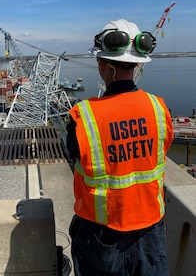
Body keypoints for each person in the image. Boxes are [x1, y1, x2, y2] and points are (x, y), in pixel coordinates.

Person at [67, 19, 174, 276]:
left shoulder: (83, 116)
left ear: (102, 64)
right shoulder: (160, 108)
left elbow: (75, 161)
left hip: (101, 237)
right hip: (152, 234)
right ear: (138, 64)